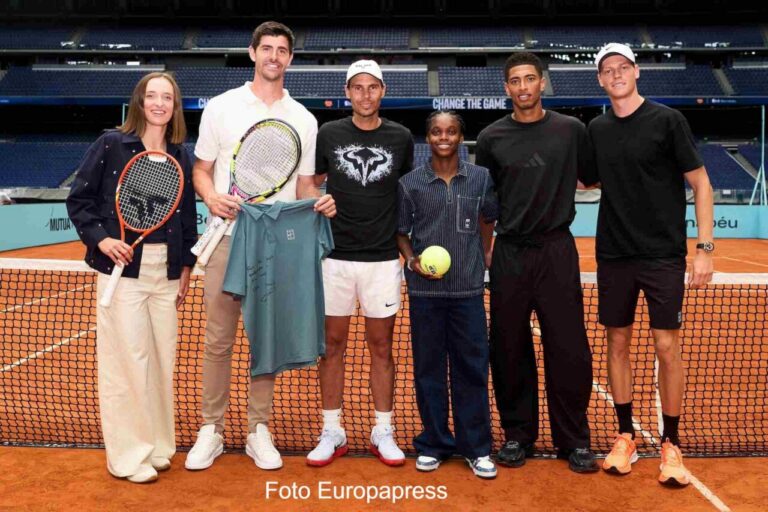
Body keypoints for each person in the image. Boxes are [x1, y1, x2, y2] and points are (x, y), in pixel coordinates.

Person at [186, 21, 335, 472]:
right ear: (253, 53)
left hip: (278, 245)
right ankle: (211, 429)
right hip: (228, 239)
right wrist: (211, 196)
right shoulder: (222, 107)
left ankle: (257, 430)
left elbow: (305, 185)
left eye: (282, 50)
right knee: (217, 340)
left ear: (290, 58)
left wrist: (321, 202)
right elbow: (200, 168)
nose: (273, 56)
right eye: (266, 48)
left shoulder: (305, 119)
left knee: (265, 341)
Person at [586, 43, 714, 486]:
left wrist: (704, 248)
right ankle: (625, 436)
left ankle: (671, 443)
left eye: (623, 67)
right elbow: (584, 178)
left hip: (662, 255)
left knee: (665, 346)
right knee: (616, 343)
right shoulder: (597, 129)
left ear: (636, 72)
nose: (616, 74)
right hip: (615, 255)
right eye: (608, 70)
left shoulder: (667, 120)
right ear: (600, 80)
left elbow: (700, 184)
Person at [66, 72, 196, 483]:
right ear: (139, 102)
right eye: (152, 96)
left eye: (168, 98)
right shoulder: (111, 144)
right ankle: (126, 456)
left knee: (161, 362)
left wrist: (187, 268)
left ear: (175, 107)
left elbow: (187, 215)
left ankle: (157, 446)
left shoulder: (181, 154)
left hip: (167, 271)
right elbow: (80, 199)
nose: (159, 104)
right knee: (127, 364)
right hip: (124, 273)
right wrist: (103, 241)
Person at [475, 52, 598, 474]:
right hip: (509, 253)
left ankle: (575, 440)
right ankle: (517, 435)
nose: (523, 87)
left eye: (530, 78)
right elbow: (486, 205)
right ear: (506, 88)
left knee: (569, 348)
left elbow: (594, 177)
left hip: (557, 251)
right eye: (515, 80)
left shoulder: (571, 131)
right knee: (508, 348)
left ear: (542, 83)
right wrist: (487, 250)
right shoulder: (491, 138)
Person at [299, 60, 414, 467]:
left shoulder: (401, 138)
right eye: (357, 88)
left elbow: (407, 193)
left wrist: (406, 246)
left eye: (373, 87)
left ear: (382, 91)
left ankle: (383, 429)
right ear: (347, 92)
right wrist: (317, 200)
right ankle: (332, 429)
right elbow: (308, 183)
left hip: (383, 260)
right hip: (334, 257)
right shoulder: (328, 133)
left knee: (382, 347)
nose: (365, 95)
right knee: (331, 347)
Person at [397, 111, 498, 479]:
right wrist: (411, 262)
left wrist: (485, 255)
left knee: (472, 370)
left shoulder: (481, 178)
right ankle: (434, 443)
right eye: (437, 131)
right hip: (425, 293)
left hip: (468, 291)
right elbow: (402, 231)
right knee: (429, 371)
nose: (444, 137)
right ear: (428, 137)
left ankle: (477, 447)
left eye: (451, 131)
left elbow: (488, 219)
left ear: (460, 137)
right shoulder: (410, 183)